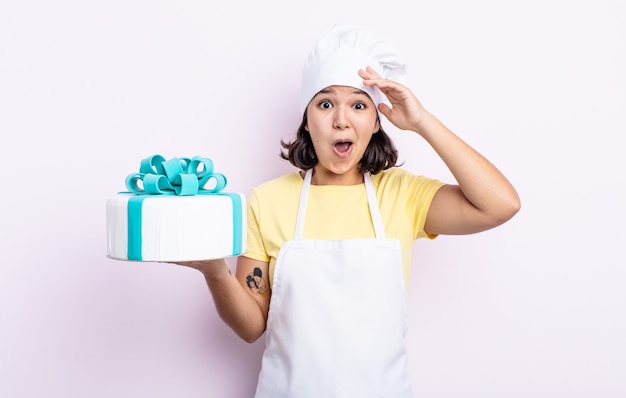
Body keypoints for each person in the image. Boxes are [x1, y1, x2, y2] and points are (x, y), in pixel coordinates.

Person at [175, 24, 520, 397]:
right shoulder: (267, 200)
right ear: (307, 120)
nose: (341, 120)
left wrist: (421, 122)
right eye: (325, 104)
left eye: (358, 105)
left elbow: (501, 205)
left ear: (376, 122)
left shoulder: (403, 194)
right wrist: (214, 272)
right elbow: (251, 326)